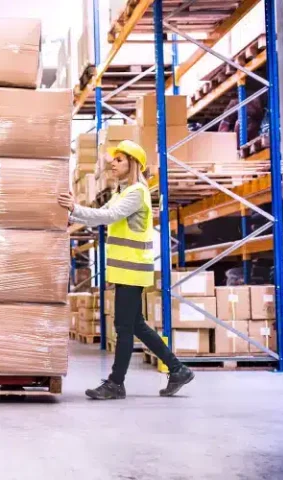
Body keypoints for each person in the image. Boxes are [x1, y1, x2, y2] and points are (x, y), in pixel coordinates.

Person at [58, 140, 195, 400]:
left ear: (132, 164)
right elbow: (101, 213)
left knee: (123, 327)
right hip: (125, 269)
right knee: (136, 325)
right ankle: (178, 369)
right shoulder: (121, 192)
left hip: (132, 269)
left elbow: (110, 217)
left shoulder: (137, 192)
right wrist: (72, 214)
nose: (113, 163)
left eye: (119, 160)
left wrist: (74, 209)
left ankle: (115, 383)